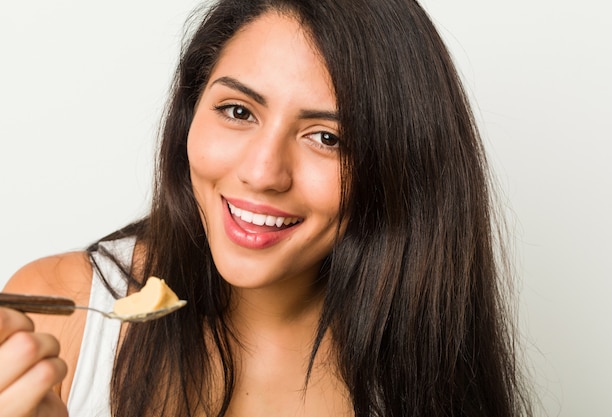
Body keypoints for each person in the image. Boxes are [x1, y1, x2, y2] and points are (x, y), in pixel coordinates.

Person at [0, 0, 534, 416]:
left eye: (327, 138)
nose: (262, 172)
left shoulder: (425, 377)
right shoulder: (60, 312)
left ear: (399, 169)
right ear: (191, 113)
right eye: (237, 111)